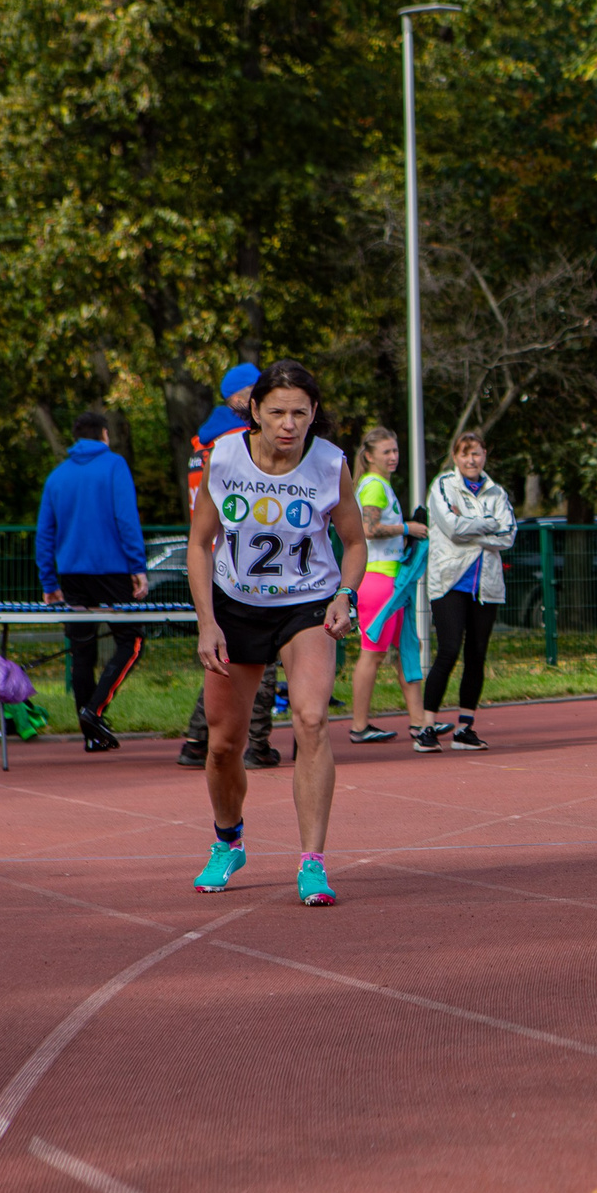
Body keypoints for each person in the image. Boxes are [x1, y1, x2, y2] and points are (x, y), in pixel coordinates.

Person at [185, 361, 367, 905]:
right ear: (254, 411)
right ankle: (229, 840)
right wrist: (207, 622)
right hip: (235, 605)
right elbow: (199, 545)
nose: (288, 424)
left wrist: (345, 594)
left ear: (314, 415)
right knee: (223, 746)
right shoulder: (223, 457)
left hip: (306, 604)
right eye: (277, 412)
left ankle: (312, 862)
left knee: (311, 720)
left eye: (300, 413)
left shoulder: (330, 464)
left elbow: (355, 543)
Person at [176, 363, 278, 769]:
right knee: (260, 658)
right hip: (244, 558)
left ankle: (196, 741)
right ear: (243, 397)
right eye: (259, 393)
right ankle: (257, 743)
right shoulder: (240, 441)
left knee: (224, 655)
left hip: (212, 558)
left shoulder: (201, 445)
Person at [35, 411, 151, 752]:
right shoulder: (115, 466)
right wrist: (137, 566)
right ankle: (94, 711)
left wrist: (48, 580)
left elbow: (45, 533)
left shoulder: (57, 476)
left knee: (81, 649)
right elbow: (125, 518)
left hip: (72, 574)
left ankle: (91, 733)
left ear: (75, 437)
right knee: (131, 642)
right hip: (112, 571)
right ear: (104, 434)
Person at [418, 431, 517, 753]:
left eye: (476, 453)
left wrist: (472, 525)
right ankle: (427, 726)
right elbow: (451, 528)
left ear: (485, 455)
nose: (471, 460)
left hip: (486, 585)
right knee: (448, 651)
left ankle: (465, 727)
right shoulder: (444, 486)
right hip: (449, 581)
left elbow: (509, 534)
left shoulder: (497, 492)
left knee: (477, 654)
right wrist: (488, 524)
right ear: (456, 457)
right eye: (465, 454)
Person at [347, 425, 429, 744]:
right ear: (369, 456)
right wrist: (407, 527)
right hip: (378, 578)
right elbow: (368, 529)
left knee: (404, 649)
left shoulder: (379, 485)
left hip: (390, 577)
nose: (394, 457)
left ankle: (420, 722)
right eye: (387, 452)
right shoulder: (373, 486)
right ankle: (358, 725)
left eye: (396, 451)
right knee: (373, 653)